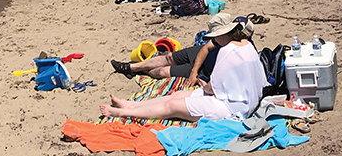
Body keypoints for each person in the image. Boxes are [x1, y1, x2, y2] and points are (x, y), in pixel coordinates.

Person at [100, 17, 265, 122]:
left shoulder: (226, 51)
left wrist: (204, 85)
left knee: (171, 105)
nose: (214, 40)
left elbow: (212, 88)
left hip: (232, 109)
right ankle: (130, 105)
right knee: (178, 95)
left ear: (223, 35)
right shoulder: (247, 45)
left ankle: (120, 113)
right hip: (245, 100)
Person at [110, 13, 244, 80]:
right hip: (197, 57)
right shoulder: (219, 39)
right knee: (168, 57)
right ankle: (131, 67)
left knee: (163, 72)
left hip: (205, 70)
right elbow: (205, 48)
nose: (214, 38)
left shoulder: (237, 48)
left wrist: (197, 75)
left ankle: (141, 71)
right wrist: (193, 71)